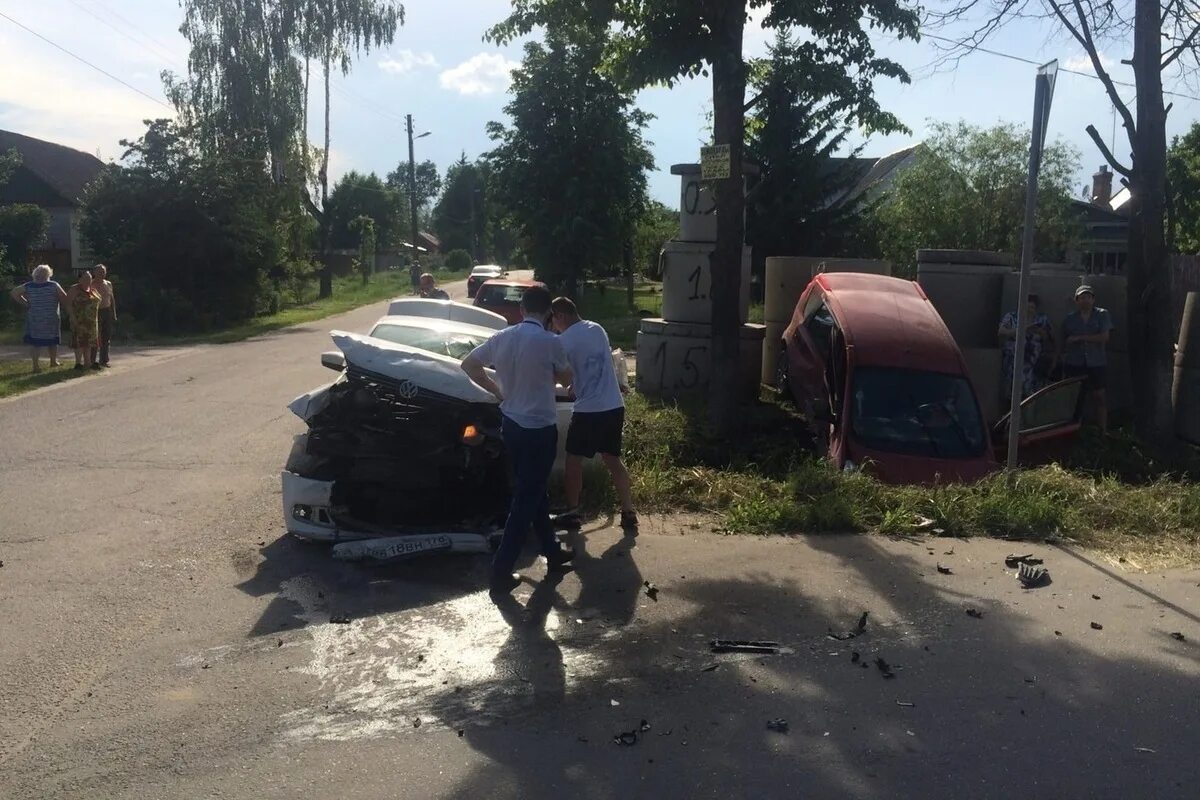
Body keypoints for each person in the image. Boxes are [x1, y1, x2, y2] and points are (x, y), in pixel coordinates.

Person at [461, 285, 575, 595]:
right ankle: (500, 571)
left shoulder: (502, 338)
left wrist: (497, 390)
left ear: (522, 310)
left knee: (533, 489)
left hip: (511, 425)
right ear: (548, 313)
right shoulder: (551, 341)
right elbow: (568, 380)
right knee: (527, 497)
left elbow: (468, 364)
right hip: (539, 428)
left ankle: (552, 552)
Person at [549, 296, 637, 532]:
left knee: (573, 460)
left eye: (553, 321)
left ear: (561, 316)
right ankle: (628, 511)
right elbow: (596, 364)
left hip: (588, 410)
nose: (553, 327)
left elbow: (560, 373)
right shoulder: (597, 328)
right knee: (612, 459)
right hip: (613, 405)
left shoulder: (563, 341)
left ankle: (573, 511)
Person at [1057, 285, 1113, 433]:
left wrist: (1081, 338)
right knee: (1074, 400)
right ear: (1077, 301)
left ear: (1093, 300)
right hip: (1074, 363)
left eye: (1088, 297)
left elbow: (1105, 337)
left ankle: (1102, 432)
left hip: (1096, 362)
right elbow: (1062, 341)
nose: (1085, 300)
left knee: (1099, 397)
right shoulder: (1070, 319)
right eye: (1082, 298)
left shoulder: (1102, 315)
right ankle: (1073, 431)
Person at [9, 264, 67, 373]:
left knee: (36, 343)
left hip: (35, 318)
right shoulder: (53, 285)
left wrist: (25, 303)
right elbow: (64, 297)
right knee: (52, 340)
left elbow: (14, 293)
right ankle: (53, 362)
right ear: (48, 274)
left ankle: (36, 366)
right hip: (51, 318)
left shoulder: (29, 286)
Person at [998, 293, 1054, 400]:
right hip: (1013, 361)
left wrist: (1040, 332)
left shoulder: (1041, 319)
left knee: (1031, 394)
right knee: (1012, 392)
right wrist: (1022, 330)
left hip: (1033, 361)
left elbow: (1050, 338)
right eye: (1027, 306)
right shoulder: (1012, 317)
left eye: (1032, 307)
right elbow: (1001, 331)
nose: (1029, 310)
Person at [66, 270, 102, 370]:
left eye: (90, 278)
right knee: (79, 342)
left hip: (92, 321)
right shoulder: (74, 289)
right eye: (86, 278)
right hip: (79, 320)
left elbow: (98, 300)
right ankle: (78, 363)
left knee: (89, 342)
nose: (88, 280)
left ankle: (88, 363)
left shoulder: (92, 289)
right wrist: (72, 318)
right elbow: (68, 304)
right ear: (80, 279)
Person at [92, 263, 116, 367]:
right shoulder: (91, 284)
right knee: (95, 337)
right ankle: (92, 360)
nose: (102, 274)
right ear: (94, 273)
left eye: (103, 272)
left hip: (107, 311)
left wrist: (113, 313)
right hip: (95, 312)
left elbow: (112, 299)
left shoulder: (108, 283)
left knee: (106, 337)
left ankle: (104, 360)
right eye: (99, 272)